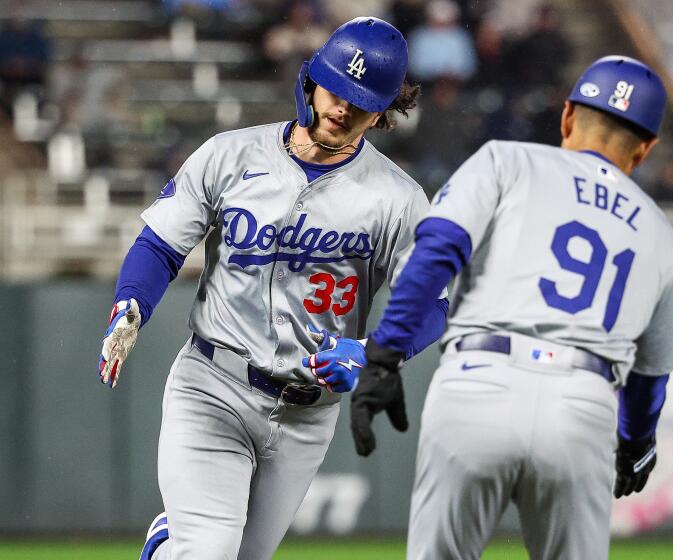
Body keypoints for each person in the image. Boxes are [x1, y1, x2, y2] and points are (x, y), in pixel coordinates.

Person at [97, 17, 448, 560]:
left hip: (308, 412)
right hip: (213, 384)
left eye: (361, 102)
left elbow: (434, 305)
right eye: (336, 90)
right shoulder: (230, 155)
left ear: (384, 112)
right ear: (311, 80)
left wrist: (377, 352)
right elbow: (160, 245)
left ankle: (167, 546)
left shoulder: (398, 200)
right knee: (210, 553)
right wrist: (130, 306)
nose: (342, 109)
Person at [350, 55, 673, 559]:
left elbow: (437, 249)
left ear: (568, 115)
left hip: (479, 381)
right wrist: (636, 443)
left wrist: (385, 352)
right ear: (646, 148)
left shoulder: (507, 160)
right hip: (583, 402)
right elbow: (650, 376)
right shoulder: (661, 233)